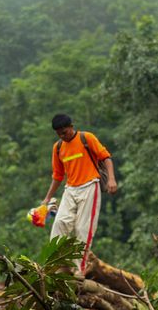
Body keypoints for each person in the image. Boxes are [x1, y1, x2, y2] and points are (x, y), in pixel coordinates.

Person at [41, 113, 117, 274]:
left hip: (90, 186)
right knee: (60, 223)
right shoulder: (58, 148)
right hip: (70, 189)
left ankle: (78, 271)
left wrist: (111, 179)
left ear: (71, 127)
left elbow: (106, 157)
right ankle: (56, 264)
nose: (63, 136)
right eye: (59, 134)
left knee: (83, 230)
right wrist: (47, 198)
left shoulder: (86, 138)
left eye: (65, 132)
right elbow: (57, 176)